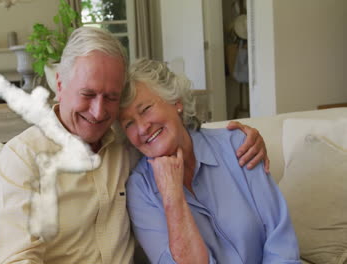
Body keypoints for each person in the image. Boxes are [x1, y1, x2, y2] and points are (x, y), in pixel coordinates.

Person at [0, 27, 269, 264]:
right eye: (88, 94)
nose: (99, 112)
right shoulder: (21, 159)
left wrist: (242, 138)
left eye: (111, 97)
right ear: (60, 84)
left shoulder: (128, 145)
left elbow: (177, 132)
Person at [120, 58, 300, 264]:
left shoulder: (238, 145)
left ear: (176, 101)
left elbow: (280, 242)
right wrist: (172, 197)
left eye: (146, 109)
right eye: (129, 124)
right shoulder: (140, 190)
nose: (142, 128)